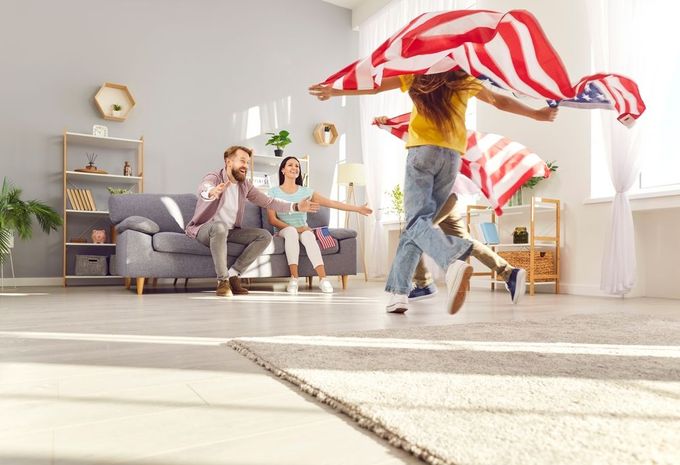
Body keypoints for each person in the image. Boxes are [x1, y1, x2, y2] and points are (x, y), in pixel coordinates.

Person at [310, 70, 557, 314]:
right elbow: (498, 100)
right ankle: (403, 293)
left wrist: (336, 90)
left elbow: (375, 85)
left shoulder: (418, 74)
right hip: (451, 157)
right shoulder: (463, 78)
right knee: (417, 227)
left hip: (423, 153)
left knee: (416, 224)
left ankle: (447, 265)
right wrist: (538, 114)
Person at [186, 146, 319, 297]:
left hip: (230, 232)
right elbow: (205, 187)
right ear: (228, 162)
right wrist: (211, 192)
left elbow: (269, 202)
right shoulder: (215, 177)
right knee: (219, 227)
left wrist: (295, 206)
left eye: (247, 162)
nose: (245, 166)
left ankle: (233, 275)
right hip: (205, 229)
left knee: (264, 235)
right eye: (242, 161)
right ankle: (223, 282)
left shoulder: (245, 185)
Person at [267, 156, 372, 294]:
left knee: (309, 237)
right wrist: (297, 228)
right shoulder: (273, 192)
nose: (294, 168)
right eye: (290, 165)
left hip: (304, 229)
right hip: (284, 230)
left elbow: (332, 203)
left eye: (297, 166)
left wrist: (357, 208)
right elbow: (272, 220)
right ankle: (294, 279)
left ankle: (323, 279)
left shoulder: (306, 192)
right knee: (292, 232)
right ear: (283, 170)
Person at [408, 192, 525, 304]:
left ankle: (423, 284)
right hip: (448, 197)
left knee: (413, 233)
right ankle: (509, 272)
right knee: (466, 242)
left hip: (437, 197)